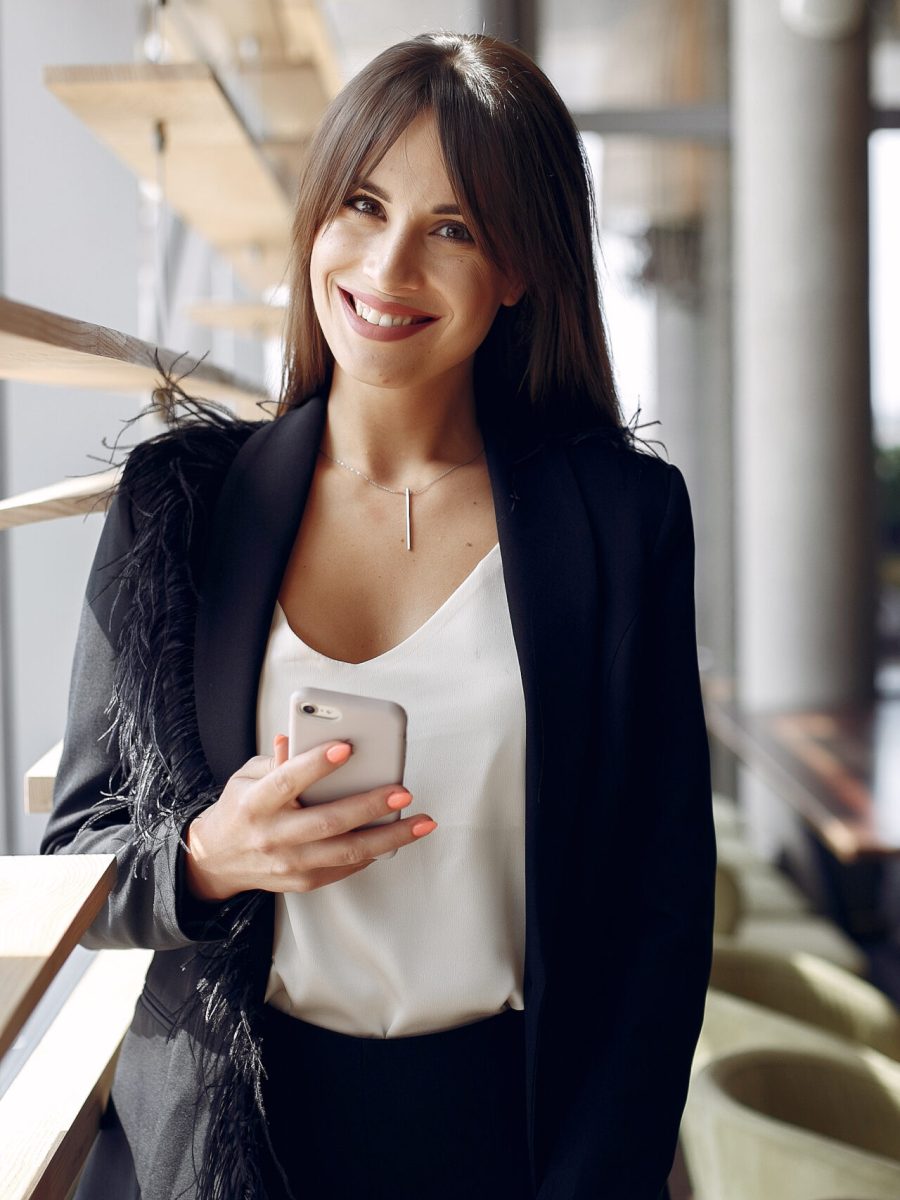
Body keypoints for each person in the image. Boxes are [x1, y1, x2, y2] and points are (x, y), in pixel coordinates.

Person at [42, 30, 716, 1200]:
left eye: (453, 227)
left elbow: (659, 915)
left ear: (521, 269)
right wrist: (208, 860)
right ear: (317, 219)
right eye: (362, 202)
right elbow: (78, 857)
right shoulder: (180, 507)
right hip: (233, 1139)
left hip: (516, 1134)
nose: (389, 263)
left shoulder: (622, 518)